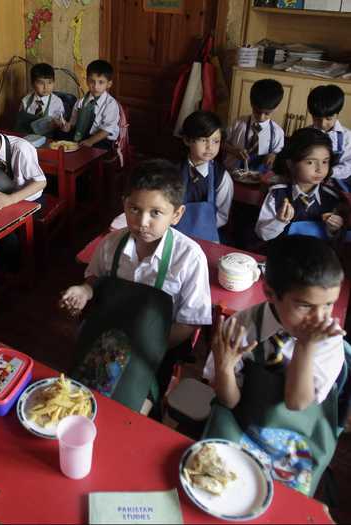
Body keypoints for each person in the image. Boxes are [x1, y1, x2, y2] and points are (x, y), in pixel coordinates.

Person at [202, 235, 349, 496]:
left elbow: (297, 403)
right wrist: (225, 369)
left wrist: (305, 346)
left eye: (328, 305)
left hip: (299, 436)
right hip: (244, 423)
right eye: (305, 306)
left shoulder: (328, 340)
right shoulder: (243, 326)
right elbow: (230, 402)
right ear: (270, 293)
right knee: (219, 485)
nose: (319, 318)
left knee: (280, 501)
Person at [60, 159, 211, 413]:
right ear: (124, 205)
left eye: (155, 213)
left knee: (129, 410)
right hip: (107, 338)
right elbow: (95, 279)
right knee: (75, 397)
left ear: (176, 215)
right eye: (134, 209)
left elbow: (188, 322)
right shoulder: (111, 243)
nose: (142, 221)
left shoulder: (190, 257)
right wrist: (84, 291)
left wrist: (146, 351)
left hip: (154, 351)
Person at [256, 127, 345, 242]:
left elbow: (337, 240)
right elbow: (262, 234)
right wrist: (279, 221)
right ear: (291, 164)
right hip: (282, 255)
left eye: (324, 162)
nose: (319, 169)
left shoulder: (332, 198)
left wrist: (334, 229)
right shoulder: (276, 194)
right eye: (310, 162)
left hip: (318, 257)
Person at [176, 110, 233, 242]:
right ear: (187, 140)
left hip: (207, 237)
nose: (210, 147)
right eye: (203, 140)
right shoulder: (173, 171)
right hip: (175, 235)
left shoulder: (222, 177)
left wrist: (199, 227)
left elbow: (222, 215)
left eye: (216, 141)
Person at [225, 78, 285, 172]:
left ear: (276, 108)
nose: (261, 117)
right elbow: (222, 144)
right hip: (232, 172)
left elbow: (279, 154)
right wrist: (234, 151)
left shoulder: (278, 132)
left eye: (267, 113)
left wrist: (273, 156)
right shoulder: (238, 123)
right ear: (251, 104)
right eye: (257, 112)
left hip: (260, 178)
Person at [59, 59, 120, 149]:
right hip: (82, 134)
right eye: (92, 81)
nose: (95, 86)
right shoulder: (81, 102)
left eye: (101, 82)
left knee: (94, 148)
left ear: (109, 84)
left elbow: (107, 130)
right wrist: (67, 126)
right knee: (60, 135)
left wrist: (90, 141)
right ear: (87, 81)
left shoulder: (111, 104)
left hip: (101, 137)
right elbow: (73, 121)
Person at [307, 84, 351, 191]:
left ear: (337, 114)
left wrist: (331, 172)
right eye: (317, 119)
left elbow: (349, 164)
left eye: (329, 118)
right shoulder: (306, 134)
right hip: (310, 181)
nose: (322, 124)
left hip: (338, 183)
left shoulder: (347, 137)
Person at [14, 62, 66, 136]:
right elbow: (20, 123)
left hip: (49, 140)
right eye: (41, 83)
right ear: (32, 84)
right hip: (28, 138)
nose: (46, 87)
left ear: (54, 82)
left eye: (50, 83)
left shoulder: (57, 102)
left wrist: (58, 124)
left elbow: (62, 124)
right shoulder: (25, 101)